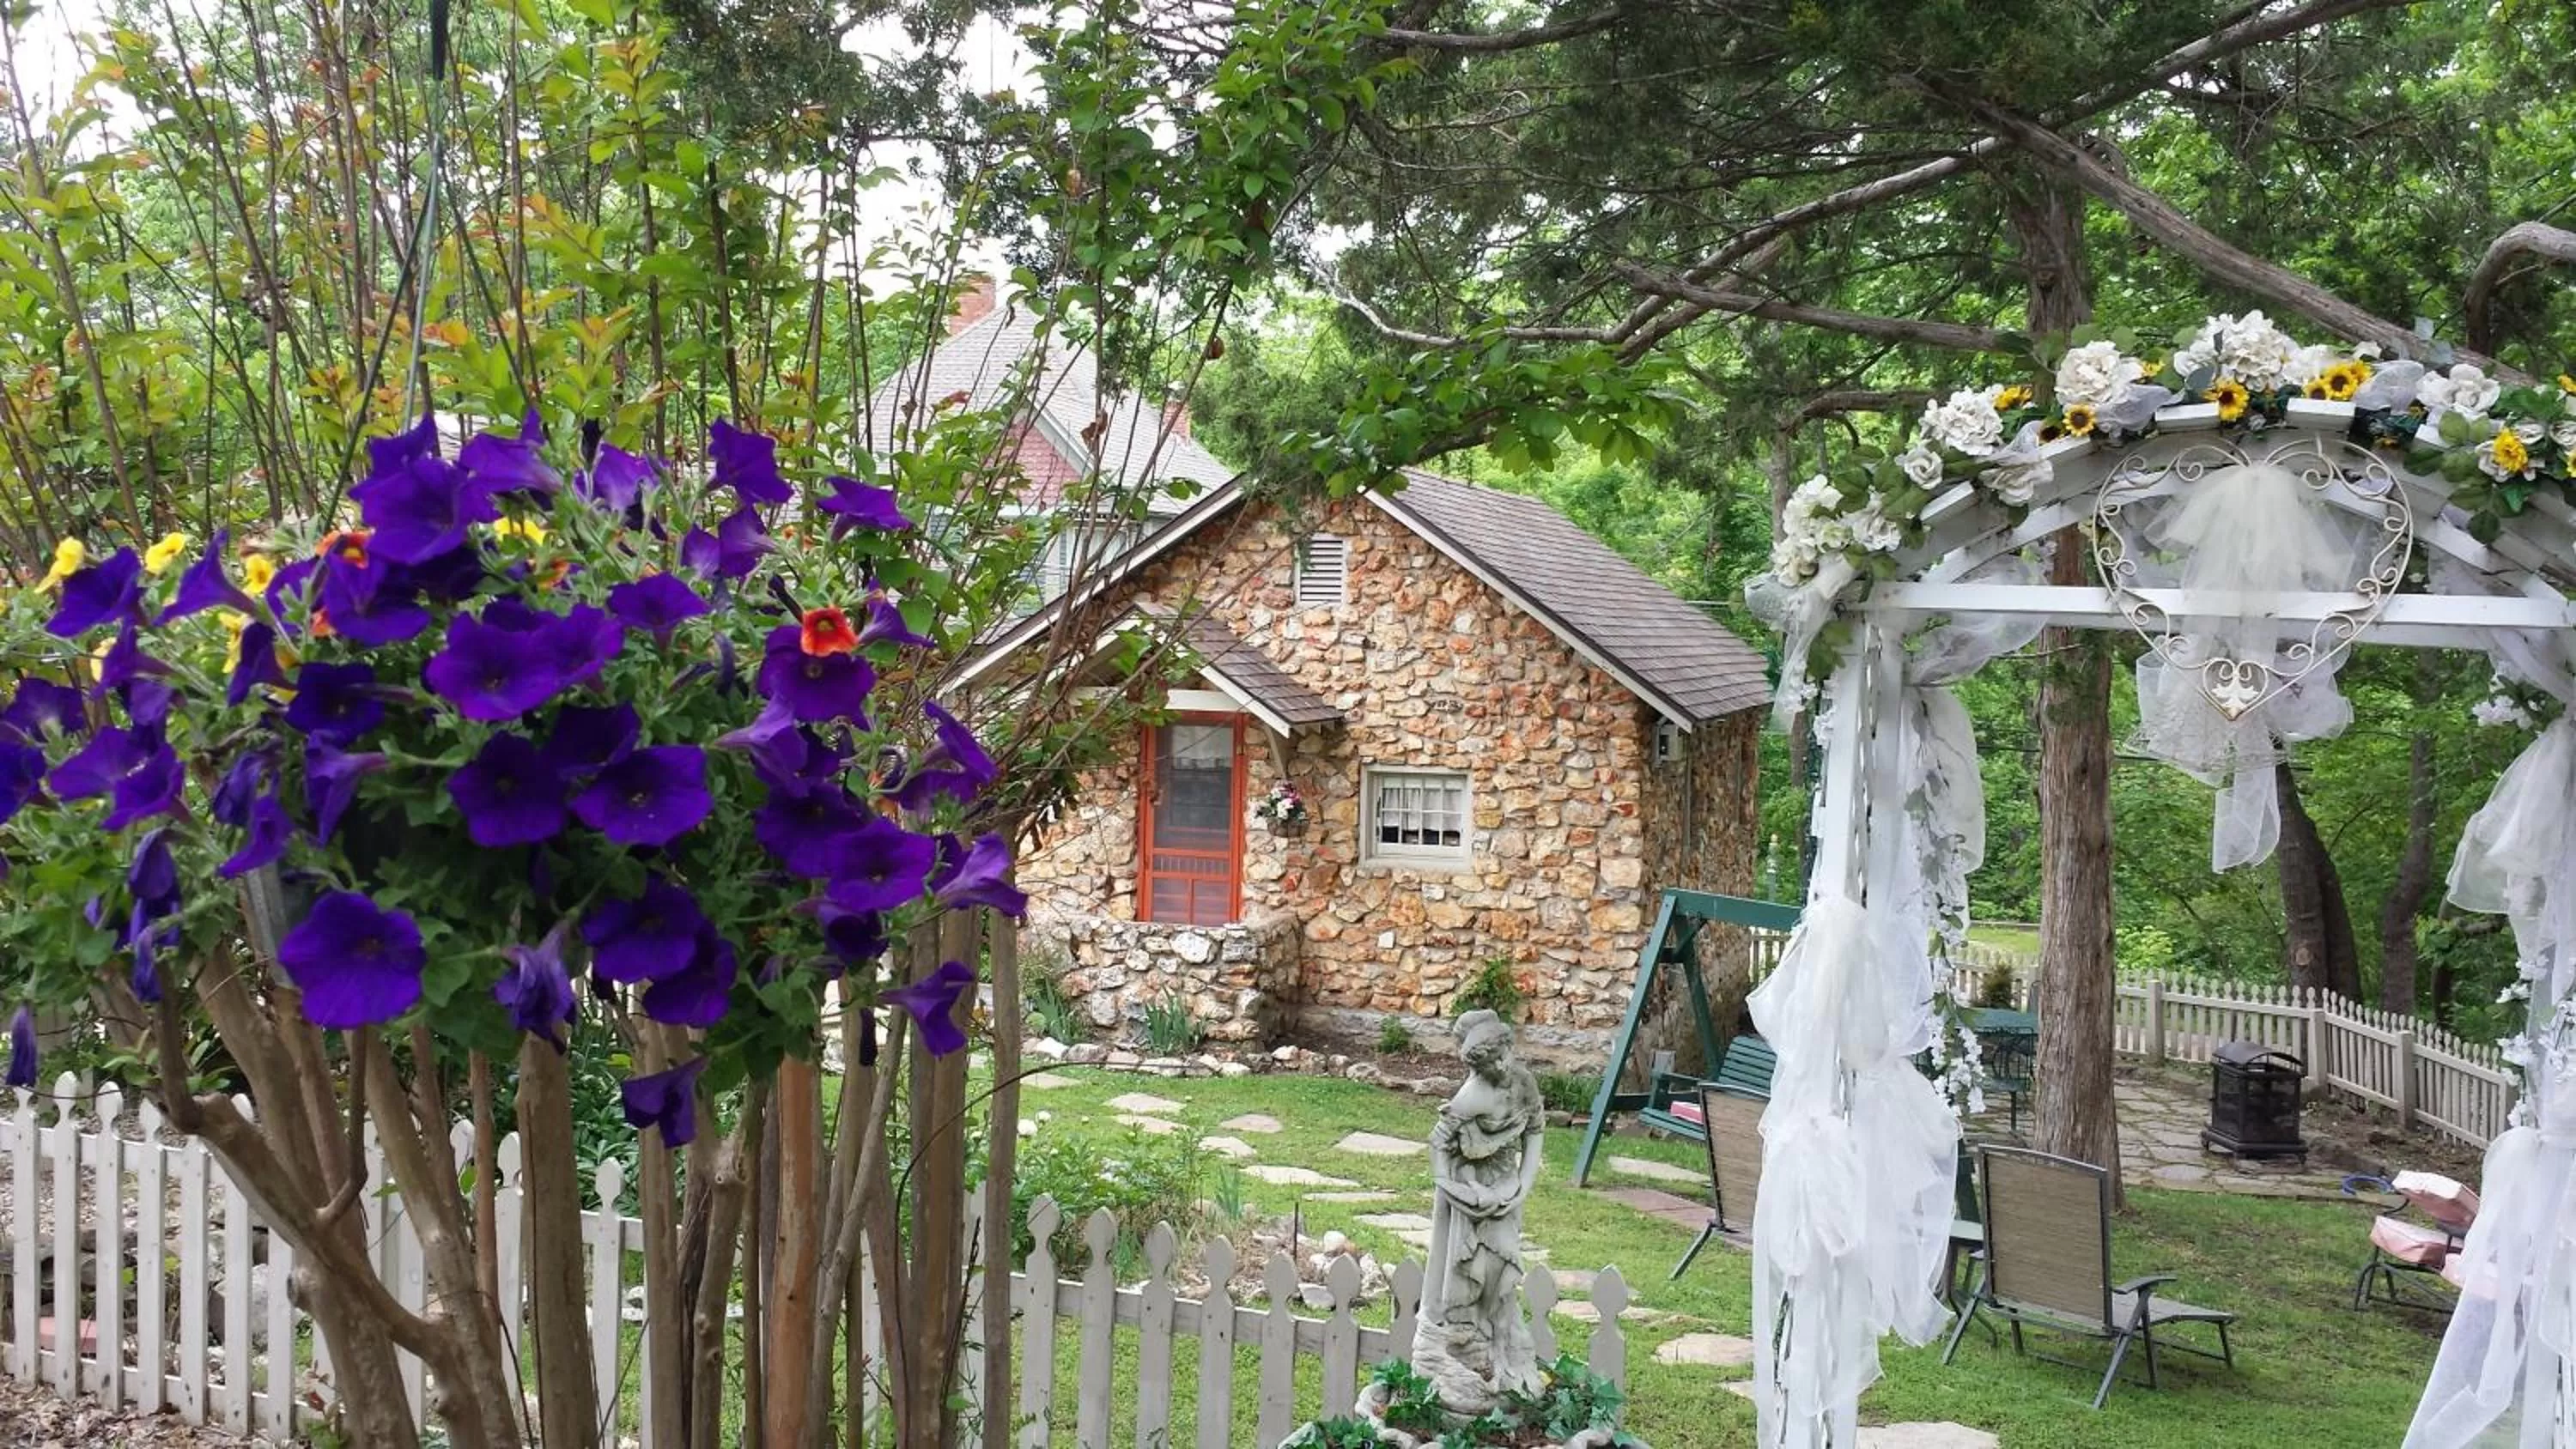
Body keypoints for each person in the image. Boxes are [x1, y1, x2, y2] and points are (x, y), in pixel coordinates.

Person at [1413, 1008, 1546, 1410]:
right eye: (1491, 1064)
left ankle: (1502, 1351)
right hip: (1470, 1189)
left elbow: (1536, 1131)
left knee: (1504, 1265)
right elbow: (1439, 1143)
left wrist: (1522, 1187)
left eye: (1504, 1056)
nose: (1502, 1066)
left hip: (1505, 1187)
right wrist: (1450, 1187)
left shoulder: (1523, 1082)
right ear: (1478, 1067)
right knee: (1472, 1265)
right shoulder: (1471, 1096)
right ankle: (1465, 1347)